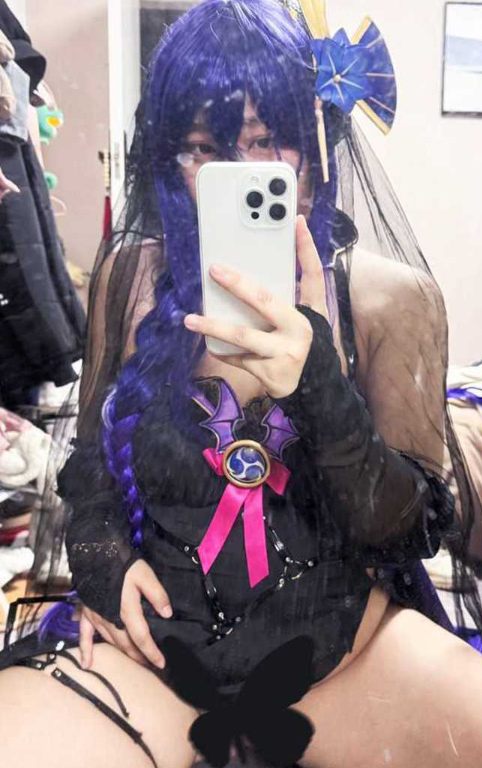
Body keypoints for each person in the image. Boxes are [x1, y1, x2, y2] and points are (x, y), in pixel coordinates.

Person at [1, 1, 482, 767]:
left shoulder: (390, 301)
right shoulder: (131, 279)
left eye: (265, 142)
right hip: (155, 663)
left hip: (344, 661)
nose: (237, 171)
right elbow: (91, 470)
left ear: (314, 151)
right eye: (204, 148)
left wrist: (318, 381)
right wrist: (102, 563)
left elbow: (404, 532)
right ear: (168, 160)